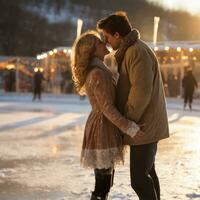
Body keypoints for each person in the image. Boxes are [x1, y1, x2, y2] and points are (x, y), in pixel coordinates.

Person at [97, 11, 169, 200]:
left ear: (117, 35)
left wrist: (128, 124)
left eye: (107, 37)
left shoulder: (136, 51)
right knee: (147, 173)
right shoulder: (131, 51)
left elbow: (140, 93)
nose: (107, 42)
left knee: (139, 179)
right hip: (144, 125)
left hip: (143, 127)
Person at [71, 31, 144, 200]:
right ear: (91, 51)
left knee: (105, 182)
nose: (105, 44)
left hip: (104, 127)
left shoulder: (100, 69)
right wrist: (130, 127)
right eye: (99, 43)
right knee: (103, 184)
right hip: (102, 129)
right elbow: (107, 108)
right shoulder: (97, 73)